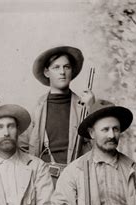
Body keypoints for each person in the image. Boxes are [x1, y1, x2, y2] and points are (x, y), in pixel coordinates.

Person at [20, 46, 95, 180]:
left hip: (75, 181)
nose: (62, 72)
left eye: (66, 67)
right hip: (43, 182)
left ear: (71, 71)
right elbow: (22, 149)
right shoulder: (36, 109)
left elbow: (98, 146)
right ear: (47, 72)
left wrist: (91, 108)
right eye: (56, 67)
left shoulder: (83, 107)